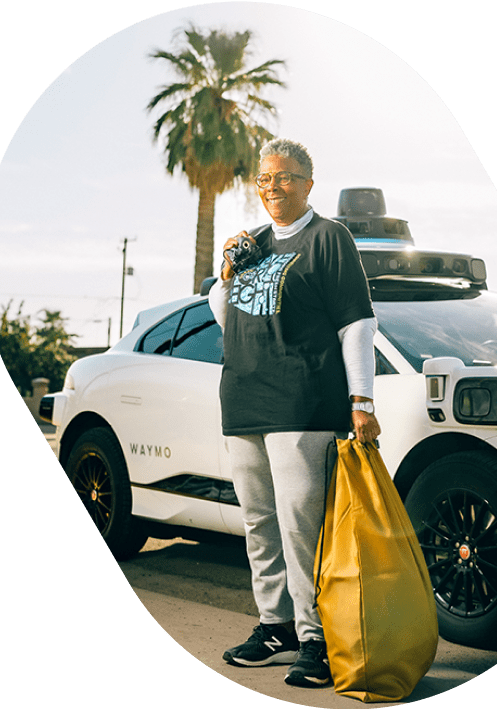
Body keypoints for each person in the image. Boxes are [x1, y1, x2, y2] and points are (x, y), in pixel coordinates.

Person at [209, 138, 381, 688]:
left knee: (301, 526)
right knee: (259, 524)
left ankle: (317, 640)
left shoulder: (328, 238)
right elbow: (223, 311)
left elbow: (357, 322)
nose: (272, 187)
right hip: (243, 399)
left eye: (283, 177)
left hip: (302, 402)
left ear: (308, 182)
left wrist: (361, 399)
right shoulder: (251, 244)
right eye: (264, 179)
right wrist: (226, 272)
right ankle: (275, 626)